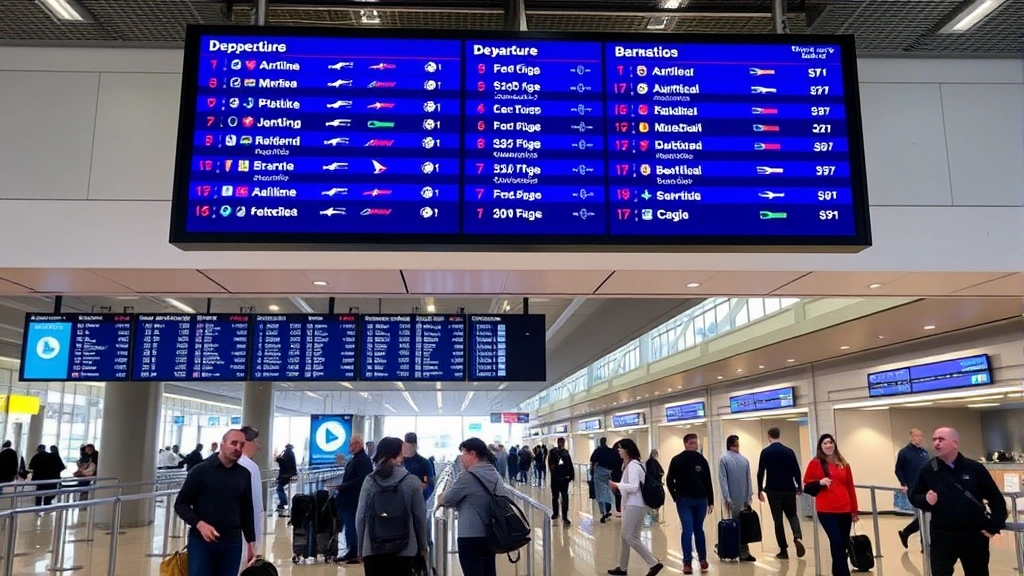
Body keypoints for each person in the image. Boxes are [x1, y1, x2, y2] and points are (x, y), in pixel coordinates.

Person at [910, 427, 1006, 576]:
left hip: (973, 534)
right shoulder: (928, 469)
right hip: (942, 535)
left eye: (941, 439)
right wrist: (925, 499)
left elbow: (995, 498)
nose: (936, 443)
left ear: (955, 443)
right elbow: (914, 496)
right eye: (934, 439)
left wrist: (995, 525)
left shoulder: (974, 468)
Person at [174, 430, 257, 576]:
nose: (238, 448)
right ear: (222, 444)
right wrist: (200, 524)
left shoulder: (244, 474)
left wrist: (251, 542)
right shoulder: (200, 471)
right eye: (233, 443)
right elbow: (181, 504)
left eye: (241, 445)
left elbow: (246, 509)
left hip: (232, 542)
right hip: (202, 542)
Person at [355, 437, 428, 576]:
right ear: (399, 455)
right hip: (405, 549)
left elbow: (360, 517)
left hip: (373, 549)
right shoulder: (412, 481)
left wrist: (361, 548)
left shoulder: (369, 481)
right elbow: (420, 517)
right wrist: (423, 546)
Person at [438, 438, 502, 576]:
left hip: (469, 535)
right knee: (489, 570)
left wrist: (442, 497)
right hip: (491, 533)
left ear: (473, 454)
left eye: (463, 453)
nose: (461, 458)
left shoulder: (468, 476)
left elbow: (447, 499)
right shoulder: (495, 474)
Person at [606, 438, 663, 576]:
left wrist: (616, 485)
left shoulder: (633, 466)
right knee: (625, 537)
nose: (618, 451)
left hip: (635, 504)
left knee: (629, 536)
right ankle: (623, 567)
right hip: (633, 504)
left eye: (620, 448)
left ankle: (654, 563)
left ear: (626, 450)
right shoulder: (630, 464)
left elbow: (633, 486)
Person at [803, 434, 858, 576]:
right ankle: (844, 573)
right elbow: (807, 485)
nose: (828, 446)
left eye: (830, 442)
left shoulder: (843, 464)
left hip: (844, 508)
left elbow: (850, 486)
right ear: (820, 446)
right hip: (826, 509)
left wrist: (854, 510)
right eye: (825, 443)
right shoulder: (815, 463)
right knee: (836, 540)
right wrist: (819, 483)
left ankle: (837, 571)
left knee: (843, 543)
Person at [666, 433, 713, 574]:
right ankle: (687, 562)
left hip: (701, 500)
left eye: (696, 443)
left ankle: (702, 559)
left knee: (699, 529)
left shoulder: (702, 460)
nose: (695, 445)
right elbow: (669, 480)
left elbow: (708, 481)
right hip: (684, 500)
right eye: (692, 443)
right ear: (685, 443)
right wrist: (676, 496)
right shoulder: (677, 460)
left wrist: (711, 501)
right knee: (687, 529)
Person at [757, 427, 805, 559]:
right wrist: (799, 486)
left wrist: (760, 489)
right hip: (789, 489)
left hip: (773, 490)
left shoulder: (766, 452)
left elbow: (761, 472)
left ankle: (783, 550)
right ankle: (797, 535)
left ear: (768, 436)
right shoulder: (789, 452)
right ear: (779, 435)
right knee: (792, 515)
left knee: (777, 519)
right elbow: (797, 470)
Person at [337, 434, 373, 563]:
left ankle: (355, 552)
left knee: (353, 526)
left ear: (358, 444)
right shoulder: (356, 459)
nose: (350, 447)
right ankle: (351, 550)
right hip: (349, 499)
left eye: (352, 444)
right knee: (349, 526)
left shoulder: (363, 460)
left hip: (354, 499)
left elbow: (361, 480)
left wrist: (343, 486)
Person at [719, 435, 755, 562]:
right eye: (737, 445)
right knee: (743, 525)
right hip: (743, 500)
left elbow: (723, 480)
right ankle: (744, 551)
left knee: (732, 525)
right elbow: (749, 479)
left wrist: (727, 497)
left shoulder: (724, 460)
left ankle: (733, 550)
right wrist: (749, 496)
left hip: (731, 500)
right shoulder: (744, 460)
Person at [894, 428, 929, 548]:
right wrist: (903, 483)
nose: (918, 438)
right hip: (914, 489)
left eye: (920, 436)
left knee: (926, 515)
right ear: (911, 437)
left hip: (927, 488)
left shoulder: (924, 453)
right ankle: (920, 541)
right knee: (922, 515)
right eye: (916, 436)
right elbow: (898, 469)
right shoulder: (904, 453)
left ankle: (908, 533)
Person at [237, 425, 263, 571]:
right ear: (247, 442)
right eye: (256, 442)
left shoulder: (224, 462)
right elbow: (253, 504)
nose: (258, 447)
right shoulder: (249, 467)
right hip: (242, 533)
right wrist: (252, 540)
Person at [547, 437, 574, 526]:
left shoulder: (552, 452)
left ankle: (556, 514)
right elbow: (569, 466)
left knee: (556, 497)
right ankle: (564, 517)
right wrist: (571, 476)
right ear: (563, 443)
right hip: (563, 479)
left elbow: (550, 465)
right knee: (564, 497)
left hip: (556, 479)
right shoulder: (565, 453)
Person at [590, 437, 618, 523]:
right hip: (609, 474)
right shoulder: (611, 451)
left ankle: (603, 512)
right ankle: (608, 509)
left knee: (600, 494)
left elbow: (593, 463)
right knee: (608, 492)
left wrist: (592, 473)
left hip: (599, 474)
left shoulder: (597, 451)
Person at [402, 433, 435, 502]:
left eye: (410, 447)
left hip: (419, 498)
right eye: (406, 446)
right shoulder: (399, 461)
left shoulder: (424, 463)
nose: (408, 450)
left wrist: (423, 487)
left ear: (415, 446)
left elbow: (429, 484)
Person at [274, 444, 297, 512]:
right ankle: (282, 503)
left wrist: (278, 458)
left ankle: (283, 502)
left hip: (285, 475)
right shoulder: (291, 454)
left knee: (279, 488)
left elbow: (283, 463)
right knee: (279, 488)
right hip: (288, 474)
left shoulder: (287, 454)